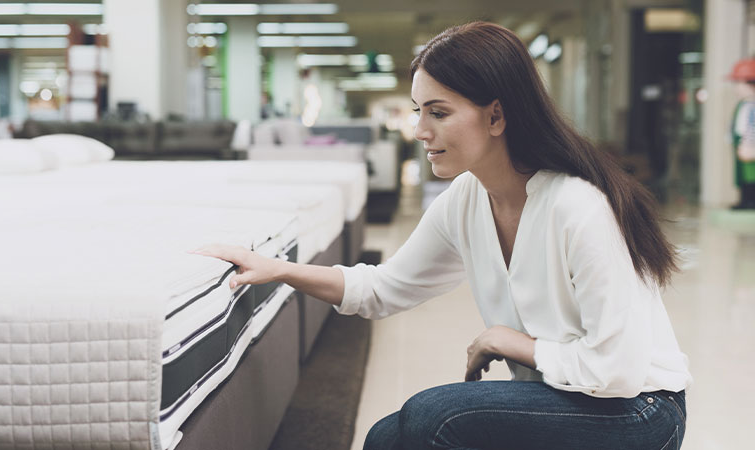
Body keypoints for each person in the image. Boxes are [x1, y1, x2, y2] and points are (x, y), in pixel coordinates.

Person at [193, 22, 691, 450]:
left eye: (438, 112)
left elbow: (617, 371)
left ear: (496, 115)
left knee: (434, 417)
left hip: (639, 409)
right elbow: (383, 288)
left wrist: (513, 342)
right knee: (386, 437)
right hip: (562, 394)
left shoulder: (578, 206)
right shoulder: (466, 199)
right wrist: (279, 270)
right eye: (418, 111)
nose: (418, 131)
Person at [729, 58, 755, 209]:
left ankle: (751, 200)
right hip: (740, 144)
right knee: (742, 176)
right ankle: (745, 199)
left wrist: (750, 146)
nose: (736, 88)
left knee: (751, 175)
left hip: (748, 146)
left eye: (739, 83)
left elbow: (752, 127)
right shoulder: (743, 105)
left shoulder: (752, 107)